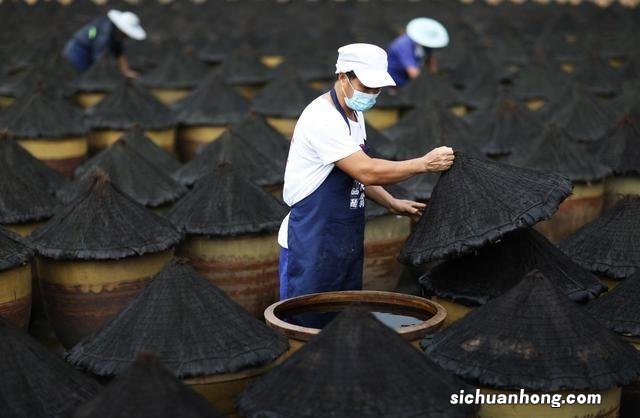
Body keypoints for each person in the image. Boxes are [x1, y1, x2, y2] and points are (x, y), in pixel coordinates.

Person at [278, 43, 454, 300]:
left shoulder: (354, 114)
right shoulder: (322, 118)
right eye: (366, 87)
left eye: (377, 89)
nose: (372, 94)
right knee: (306, 321)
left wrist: (391, 202)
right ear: (343, 77)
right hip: (311, 241)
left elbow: (354, 172)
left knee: (343, 316)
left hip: (344, 237)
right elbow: (366, 171)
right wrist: (423, 164)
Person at [63, 9, 145, 77]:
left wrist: (126, 71)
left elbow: (119, 52)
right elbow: (98, 55)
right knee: (84, 76)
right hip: (78, 50)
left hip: (88, 50)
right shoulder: (105, 31)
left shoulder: (116, 33)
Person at [387, 17, 449, 87]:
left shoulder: (425, 44)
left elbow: (431, 61)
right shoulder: (403, 45)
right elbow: (413, 72)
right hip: (394, 77)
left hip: (409, 73)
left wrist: (432, 70)